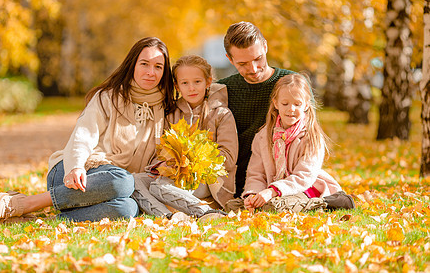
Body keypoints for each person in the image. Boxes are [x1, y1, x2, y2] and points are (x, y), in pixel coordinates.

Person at [0, 37, 176, 222]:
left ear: (164, 72)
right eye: (144, 64)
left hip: (113, 190)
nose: (151, 72)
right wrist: (76, 166)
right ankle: (27, 203)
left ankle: (49, 220)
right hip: (74, 175)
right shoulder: (108, 97)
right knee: (123, 180)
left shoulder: (164, 108)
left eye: (158, 66)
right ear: (132, 65)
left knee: (128, 208)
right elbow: (84, 135)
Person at [226, 73, 354, 213]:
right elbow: (256, 173)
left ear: (306, 105)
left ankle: (325, 203)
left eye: (297, 104)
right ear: (276, 103)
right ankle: (265, 205)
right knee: (233, 206)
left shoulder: (312, 137)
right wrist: (253, 195)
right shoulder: (263, 137)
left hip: (306, 188)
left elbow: (304, 176)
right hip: (272, 191)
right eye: (285, 103)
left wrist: (272, 191)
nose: (291, 109)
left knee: (274, 207)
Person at [132, 55, 238, 219]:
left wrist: (194, 160)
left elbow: (229, 157)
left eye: (197, 82)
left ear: (208, 82)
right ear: (177, 86)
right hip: (173, 175)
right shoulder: (171, 114)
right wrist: (166, 163)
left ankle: (206, 212)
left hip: (208, 179)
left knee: (158, 187)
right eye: (185, 83)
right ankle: (168, 217)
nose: (192, 88)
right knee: (134, 181)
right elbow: (163, 149)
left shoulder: (221, 114)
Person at [217, 21, 297, 197]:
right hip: (234, 185)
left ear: (265, 47)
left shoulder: (292, 83)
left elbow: (309, 139)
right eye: (243, 63)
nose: (253, 69)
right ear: (229, 59)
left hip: (284, 182)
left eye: (258, 58)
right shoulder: (222, 90)